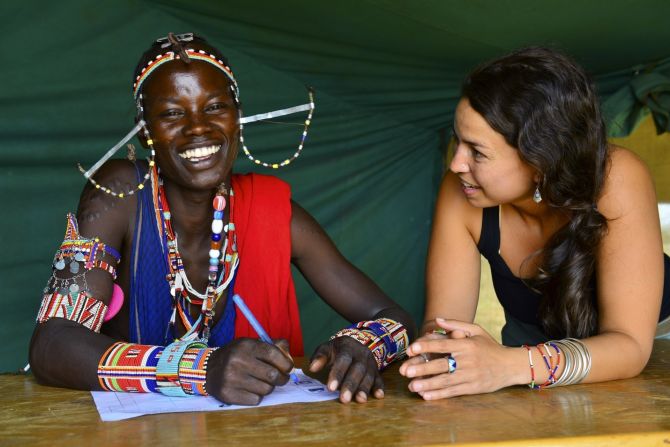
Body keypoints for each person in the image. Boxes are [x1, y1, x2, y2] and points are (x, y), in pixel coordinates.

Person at [29, 33, 415, 406]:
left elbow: (395, 318)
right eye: (172, 114)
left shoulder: (272, 213)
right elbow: (51, 343)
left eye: (214, 107)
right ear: (145, 131)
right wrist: (200, 368)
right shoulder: (119, 196)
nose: (198, 128)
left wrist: (363, 347)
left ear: (237, 117)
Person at [399, 47, 670, 398]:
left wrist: (510, 365)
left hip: (654, 350)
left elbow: (630, 347)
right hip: (525, 356)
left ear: (540, 160)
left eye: (477, 152)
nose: (456, 164)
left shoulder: (617, 178)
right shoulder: (461, 190)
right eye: (457, 140)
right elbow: (443, 326)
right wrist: (439, 357)